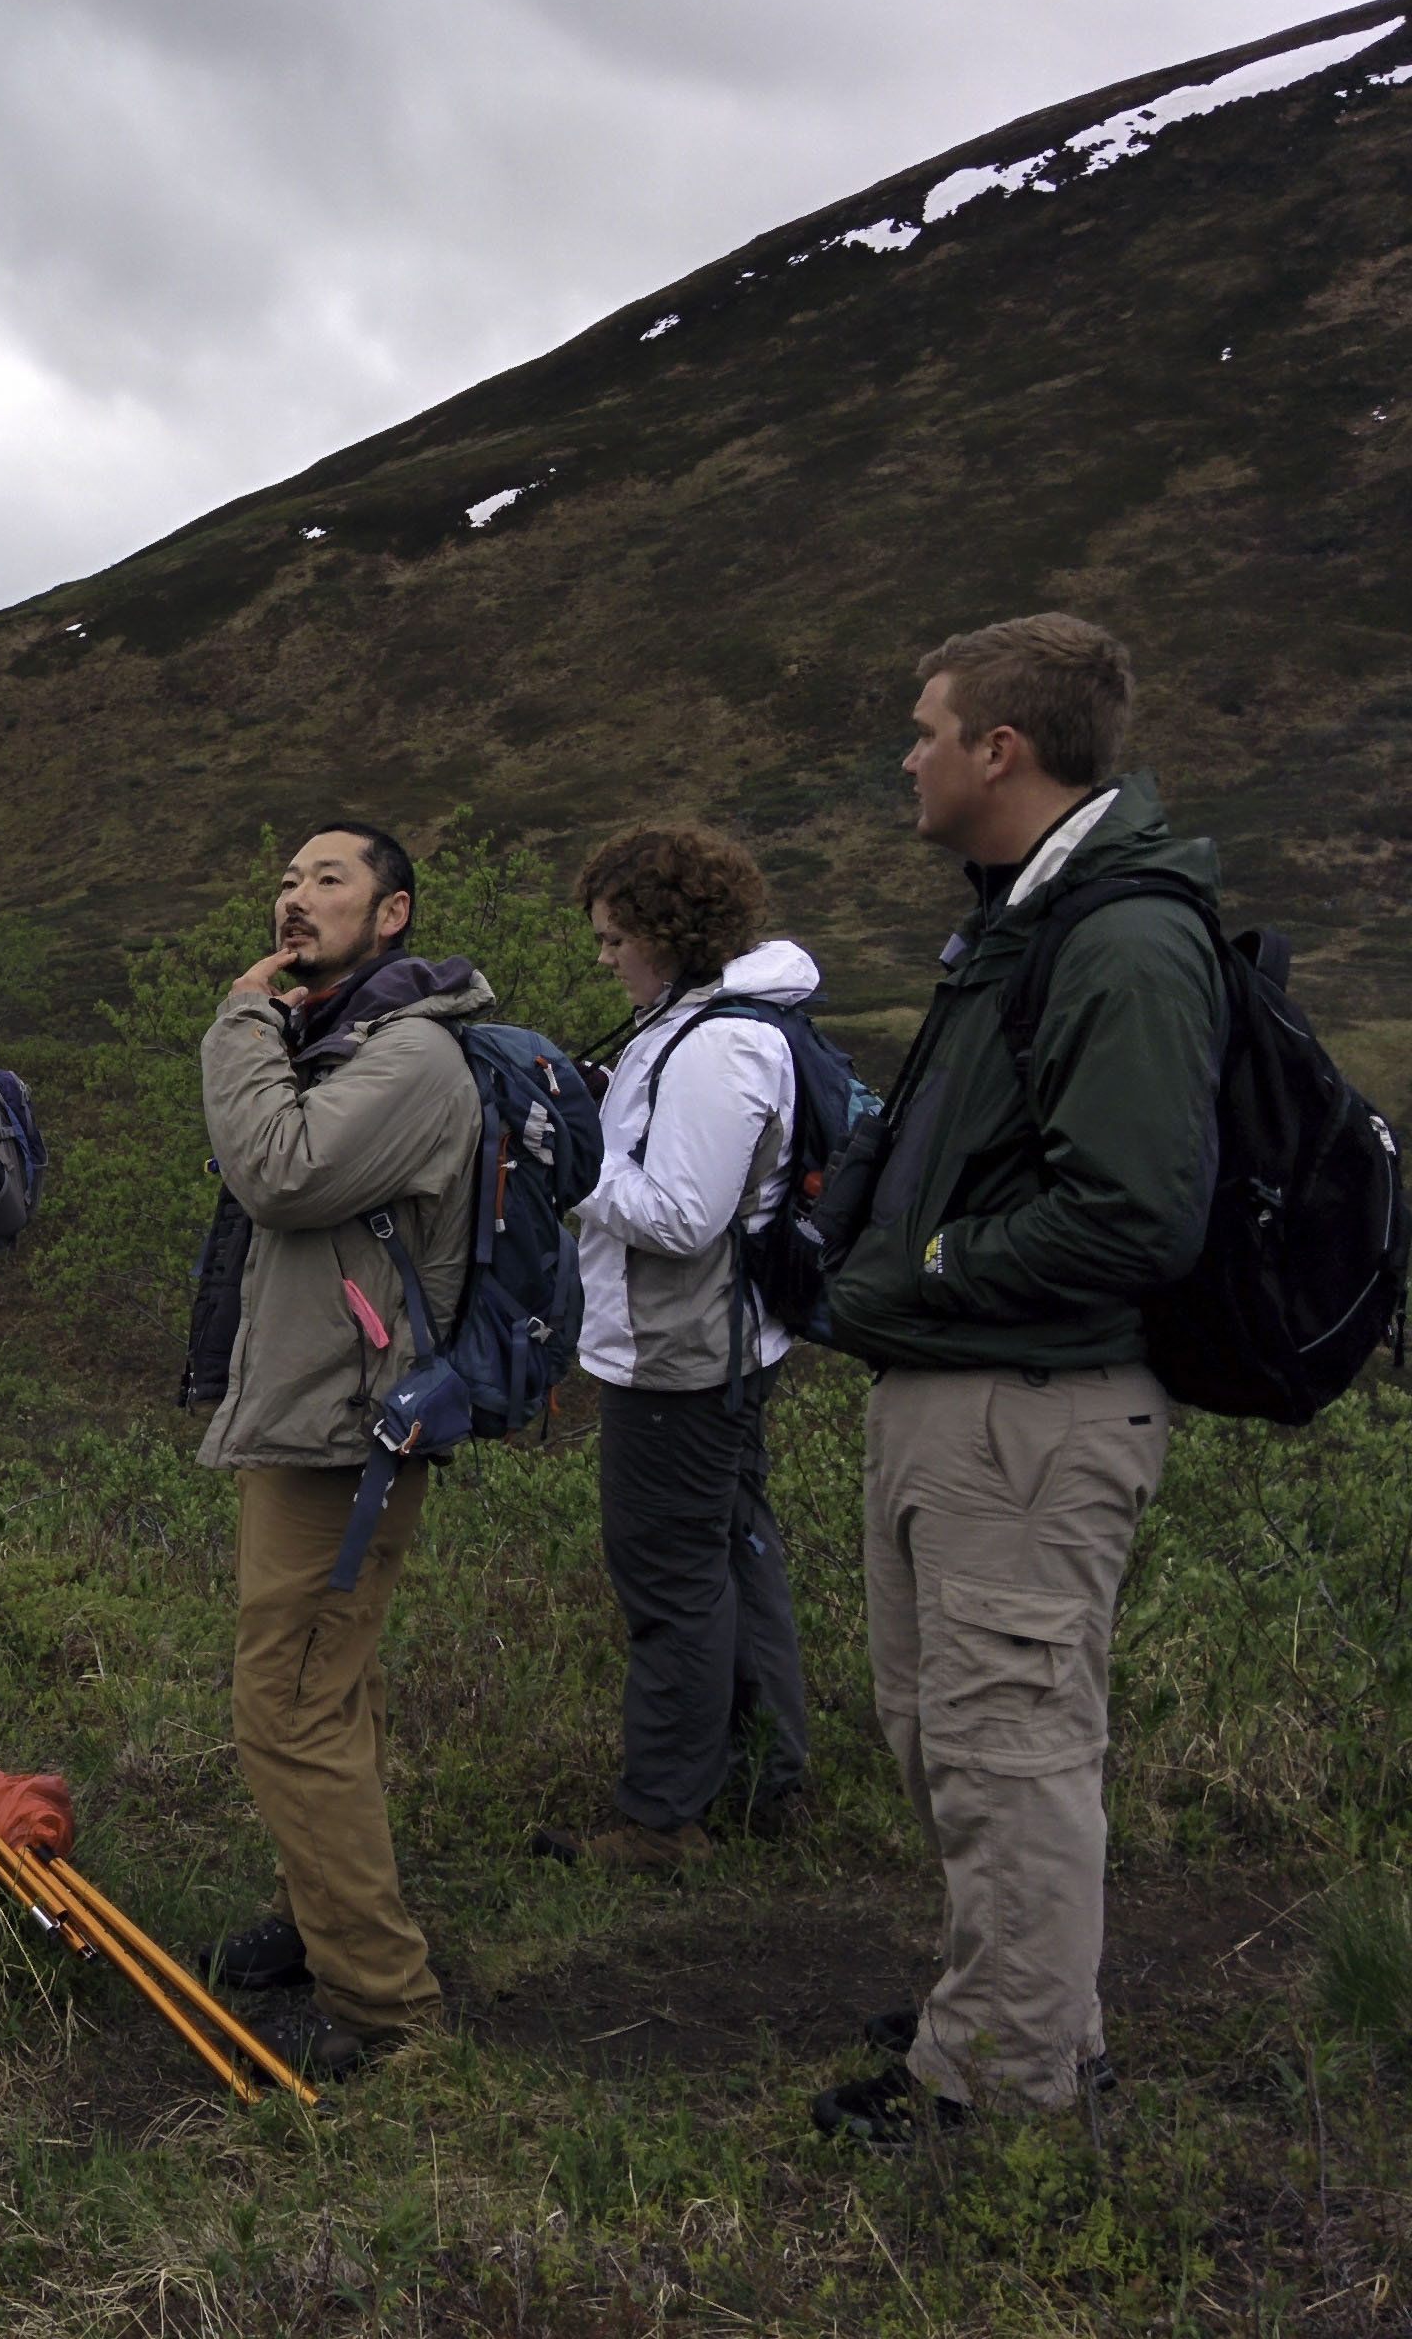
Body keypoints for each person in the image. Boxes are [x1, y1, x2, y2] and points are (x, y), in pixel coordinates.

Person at [815, 614, 1223, 2144]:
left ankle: (1002, 2088)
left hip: (1029, 1404)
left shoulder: (1120, 935)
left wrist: (899, 1280)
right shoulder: (1024, 922)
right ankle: (1017, 2011)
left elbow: (1129, 1210)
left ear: (1002, 749)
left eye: (926, 730)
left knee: (1013, 1745)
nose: (907, 759)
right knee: (952, 1737)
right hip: (965, 1395)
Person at [193, 822, 492, 2076]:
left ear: (393, 914)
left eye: (327, 880)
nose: (291, 898)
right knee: (329, 1686)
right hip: (311, 1414)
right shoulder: (351, 1038)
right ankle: (321, 1921)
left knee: (291, 1702)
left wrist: (236, 1024)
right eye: (284, 879)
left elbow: (278, 1168)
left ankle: (384, 2007)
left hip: (345, 1433)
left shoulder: (413, 1055)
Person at [532, 826, 815, 1875]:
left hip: (680, 1352)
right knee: (733, 1551)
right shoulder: (701, 1025)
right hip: (722, 1338)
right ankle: (764, 1778)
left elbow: (681, 1213)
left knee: (668, 1577)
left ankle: (660, 1818)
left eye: (613, 938)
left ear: (665, 932)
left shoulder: (717, 1044)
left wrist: (564, 1159)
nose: (602, 957)